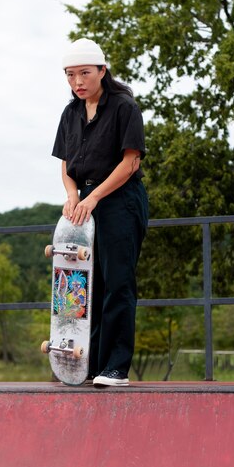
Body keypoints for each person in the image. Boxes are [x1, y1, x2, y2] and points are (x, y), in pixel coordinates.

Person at [52, 38, 149, 386]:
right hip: (85, 202)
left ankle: (116, 368)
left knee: (118, 282)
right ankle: (88, 364)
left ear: (102, 71)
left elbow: (130, 162)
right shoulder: (70, 113)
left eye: (84, 73)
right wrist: (73, 194)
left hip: (120, 199)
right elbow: (66, 163)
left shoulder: (123, 106)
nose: (77, 82)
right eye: (70, 75)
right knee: (86, 286)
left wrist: (94, 199)